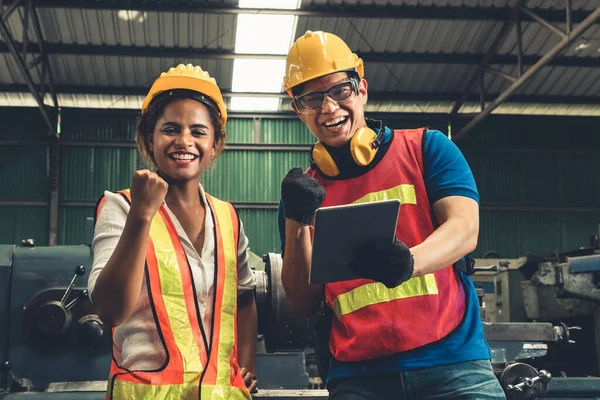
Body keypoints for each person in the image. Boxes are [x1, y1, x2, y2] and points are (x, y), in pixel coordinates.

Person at [278, 31, 506, 399]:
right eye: (312, 98)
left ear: (362, 89)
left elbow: (464, 229)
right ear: (298, 109)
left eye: (340, 90)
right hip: (359, 377)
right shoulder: (301, 196)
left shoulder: (428, 148)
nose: (329, 108)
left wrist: (410, 262)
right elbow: (303, 302)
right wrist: (295, 222)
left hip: (452, 365)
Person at [88, 64, 258, 400]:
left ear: (214, 144)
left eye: (198, 131)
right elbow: (108, 309)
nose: (184, 141)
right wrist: (142, 214)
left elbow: (246, 297)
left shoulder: (227, 217)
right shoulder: (121, 208)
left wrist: (244, 367)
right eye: (170, 129)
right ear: (149, 139)